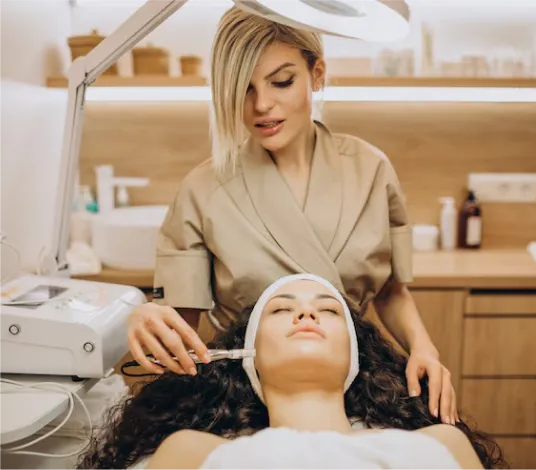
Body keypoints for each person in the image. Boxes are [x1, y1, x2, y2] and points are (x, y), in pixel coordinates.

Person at [128, 6, 457, 423]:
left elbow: (391, 291)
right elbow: (181, 331)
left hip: (355, 389)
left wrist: (424, 348)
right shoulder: (203, 189)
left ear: (317, 74)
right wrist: (145, 318)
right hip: (242, 403)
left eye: (281, 81)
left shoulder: (371, 169)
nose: (262, 105)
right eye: (244, 89)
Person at [81, 275, 506, 470]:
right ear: (247, 357)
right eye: (282, 310)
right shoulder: (190, 451)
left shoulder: (442, 442)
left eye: (329, 311)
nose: (306, 313)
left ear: (356, 356)